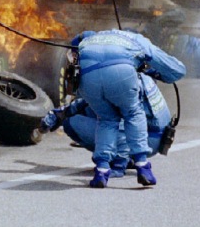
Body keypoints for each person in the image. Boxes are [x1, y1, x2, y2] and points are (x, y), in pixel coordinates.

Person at [70, 28, 185, 188]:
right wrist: (158, 74)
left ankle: (102, 171)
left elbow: (75, 54)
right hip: (120, 72)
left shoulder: (92, 40)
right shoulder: (137, 39)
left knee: (106, 119)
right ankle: (142, 167)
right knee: (133, 114)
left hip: (87, 76)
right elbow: (176, 70)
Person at [40, 72, 171, 178]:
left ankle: (120, 160)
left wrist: (119, 164)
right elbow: (87, 104)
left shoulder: (117, 82)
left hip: (146, 140)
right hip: (158, 139)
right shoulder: (138, 75)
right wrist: (59, 113)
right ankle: (131, 158)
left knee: (73, 122)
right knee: (97, 111)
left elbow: (123, 122)